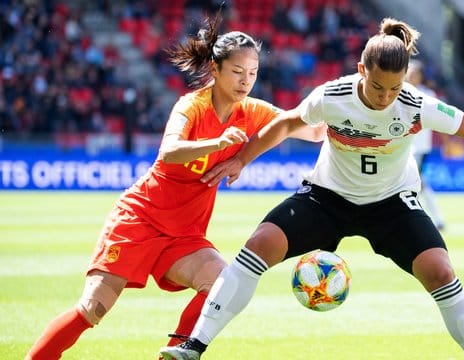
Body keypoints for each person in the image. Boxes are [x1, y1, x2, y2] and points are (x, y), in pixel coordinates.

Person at [160, 18, 464, 360]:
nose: (385, 98)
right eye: (378, 87)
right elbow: (287, 122)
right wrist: (241, 158)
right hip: (327, 197)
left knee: (442, 272)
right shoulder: (333, 96)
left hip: (392, 205)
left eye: (395, 89)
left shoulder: (415, 104)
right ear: (362, 71)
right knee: (258, 245)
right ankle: (193, 347)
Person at [25, 12, 323, 360]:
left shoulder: (252, 110)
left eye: (253, 73)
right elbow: (168, 152)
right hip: (140, 220)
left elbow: (311, 131)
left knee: (222, 285)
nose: (246, 81)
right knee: (93, 308)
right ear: (216, 70)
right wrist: (217, 144)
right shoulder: (191, 106)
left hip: (184, 235)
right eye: (238, 72)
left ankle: (175, 354)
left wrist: (335, 105)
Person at [406, 59, 446, 230]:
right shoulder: (399, 92)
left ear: (420, 76)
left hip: (419, 147)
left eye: (414, 73)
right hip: (404, 147)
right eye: (408, 72)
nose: (410, 75)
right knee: (413, 182)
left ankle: (434, 219)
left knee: (417, 182)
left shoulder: (427, 94)